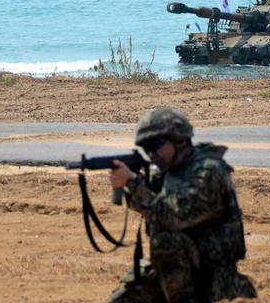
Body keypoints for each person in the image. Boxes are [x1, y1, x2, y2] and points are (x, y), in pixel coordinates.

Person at [107, 107, 256, 303]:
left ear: (180, 140)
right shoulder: (171, 170)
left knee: (165, 240)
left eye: (156, 145)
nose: (151, 154)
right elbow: (152, 207)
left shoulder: (208, 172)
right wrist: (134, 185)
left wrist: (133, 183)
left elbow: (172, 216)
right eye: (146, 148)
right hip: (176, 271)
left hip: (212, 279)